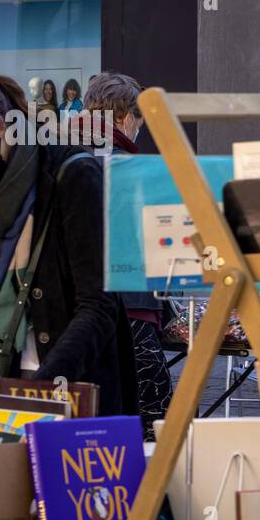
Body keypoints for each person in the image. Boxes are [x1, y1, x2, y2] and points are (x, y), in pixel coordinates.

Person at [0, 72, 136, 415]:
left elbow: (98, 307)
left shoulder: (72, 174)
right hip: (1, 381)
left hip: (68, 394)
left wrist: (39, 392)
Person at [81, 72, 170, 438]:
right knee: (155, 415)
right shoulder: (131, 169)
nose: (140, 130)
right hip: (132, 305)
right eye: (139, 120)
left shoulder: (66, 159)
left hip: (84, 310)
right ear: (124, 118)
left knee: (100, 409)